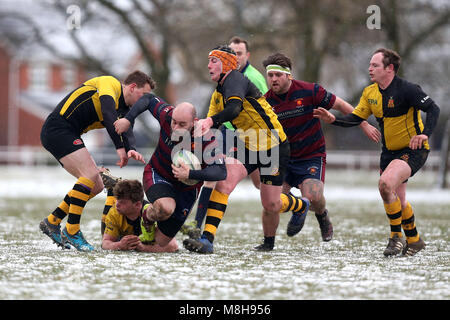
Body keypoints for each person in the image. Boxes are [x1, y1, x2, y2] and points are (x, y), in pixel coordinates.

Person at [183, 45, 310, 253]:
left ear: (227, 64)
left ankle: (300, 205)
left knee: (271, 204)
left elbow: (233, 110)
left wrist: (209, 121)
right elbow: (212, 125)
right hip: (248, 143)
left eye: (214, 61)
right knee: (223, 184)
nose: (208, 65)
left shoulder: (235, 80)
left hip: (273, 145)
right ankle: (207, 240)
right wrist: (193, 140)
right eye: (209, 61)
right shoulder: (218, 93)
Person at [313, 48, 440, 256]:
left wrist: (425, 134)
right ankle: (415, 240)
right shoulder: (370, 93)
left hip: (413, 149)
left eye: (375, 65)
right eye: (370, 65)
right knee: (396, 197)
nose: (370, 69)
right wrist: (333, 119)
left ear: (389, 68)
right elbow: (355, 118)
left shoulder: (408, 89)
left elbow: (434, 109)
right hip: (388, 152)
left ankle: (395, 238)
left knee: (385, 184)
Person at [260, 53, 381, 241]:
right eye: (270, 75)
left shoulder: (310, 91)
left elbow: (341, 105)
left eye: (278, 75)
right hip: (282, 158)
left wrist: (363, 124)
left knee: (314, 196)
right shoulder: (265, 102)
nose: (273, 79)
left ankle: (322, 215)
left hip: (310, 155)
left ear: (288, 75)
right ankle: (269, 242)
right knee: (271, 202)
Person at [39, 71, 152, 251]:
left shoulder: (124, 108)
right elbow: (108, 114)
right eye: (144, 95)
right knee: (90, 175)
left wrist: (131, 149)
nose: (145, 101)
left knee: (96, 185)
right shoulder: (110, 84)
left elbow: (126, 128)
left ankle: (53, 221)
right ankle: (72, 230)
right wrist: (119, 147)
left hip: (67, 133)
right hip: (58, 128)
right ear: (132, 87)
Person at [114, 99, 227, 249]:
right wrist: (128, 119)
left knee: (159, 244)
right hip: (158, 174)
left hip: (187, 191)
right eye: (174, 122)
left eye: (182, 124)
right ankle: (146, 217)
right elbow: (147, 98)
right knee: (166, 209)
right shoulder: (166, 114)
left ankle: (140, 229)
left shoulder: (207, 138)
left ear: (194, 122)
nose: (175, 127)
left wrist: (191, 173)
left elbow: (221, 171)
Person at [189, 36, 269, 231]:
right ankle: (197, 225)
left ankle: (297, 204)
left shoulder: (253, 78)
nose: (237, 57)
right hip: (229, 133)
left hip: (258, 137)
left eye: (239, 53)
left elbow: (267, 109)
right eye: (233, 53)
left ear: (246, 55)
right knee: (215, 176)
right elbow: (214, 115)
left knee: (264, 189)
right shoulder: (221, 83)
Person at [102, 179, 178, 252]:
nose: (117, 205)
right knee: (105, 230)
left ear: (137, 204)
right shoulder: (114, 212)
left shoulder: (153, 215)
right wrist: (119, 245)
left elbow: (173, 246)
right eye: (117, 200)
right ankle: (110, 192)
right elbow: (105, 244)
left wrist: (144, 248)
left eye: (122, 202)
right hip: (119, 236)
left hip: (148, 228)